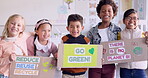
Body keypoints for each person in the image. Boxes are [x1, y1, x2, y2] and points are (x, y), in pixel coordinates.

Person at [87, 0, 121, 78]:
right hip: (95, 65)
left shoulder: (118, 30)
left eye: (109, 11)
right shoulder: (92, 31)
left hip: (110, 65)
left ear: (114, 14)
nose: (106, 13)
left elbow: (122, 46)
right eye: (103, 11)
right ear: (99, 14)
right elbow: (88, 48)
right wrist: (96, 52)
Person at [118, 9, 147, 78]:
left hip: (140, 69)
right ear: (123, 20)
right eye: (128, 18)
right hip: (124, 69)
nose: (131, 21)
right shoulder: (119, 35)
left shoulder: (144, 34)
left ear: (138, 21)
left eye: (134, 18)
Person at [61, 14, 90, 78]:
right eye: (71, 26)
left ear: (82, 28)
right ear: (67, 28)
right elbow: (61, 54)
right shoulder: (64, 39)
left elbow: (89, 55)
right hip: (67, 74)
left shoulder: (86, 40)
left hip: (81, 74)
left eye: (77, 26)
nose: (75, 29)